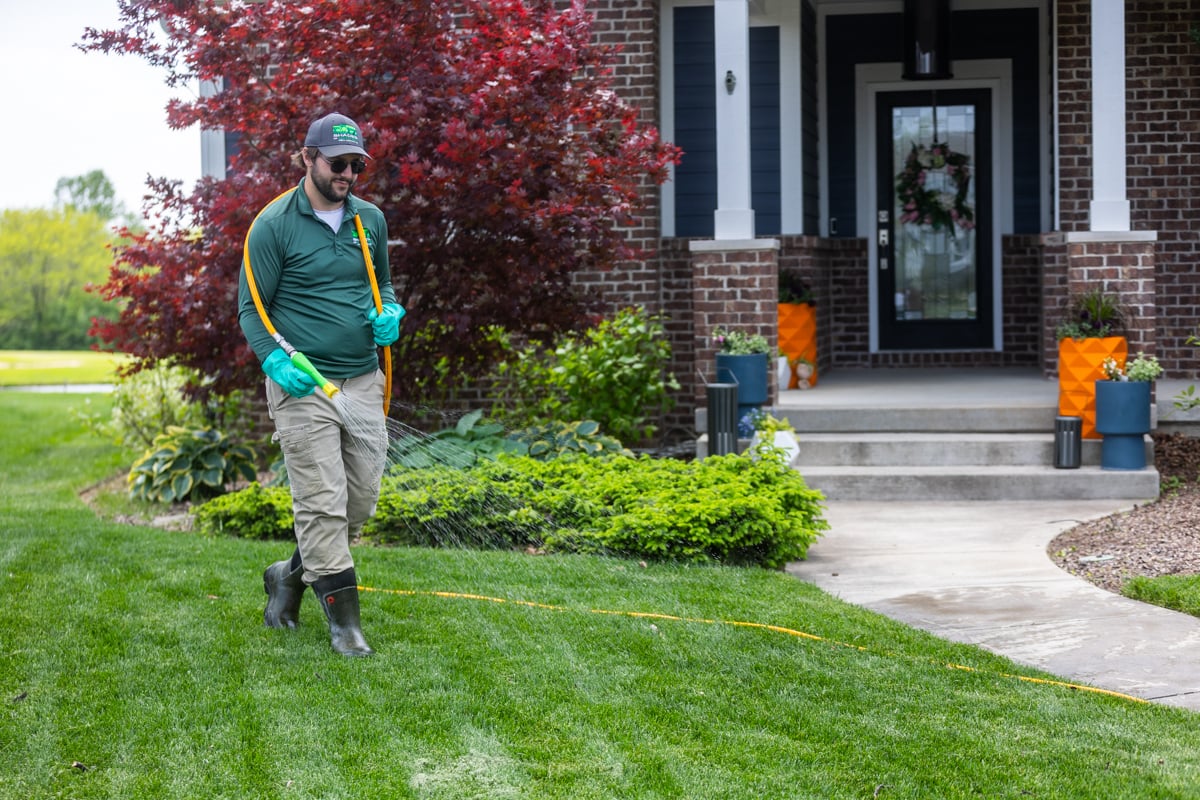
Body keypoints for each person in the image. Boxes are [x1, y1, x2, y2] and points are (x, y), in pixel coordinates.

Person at [237, 112, 405, 657]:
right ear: (308, 158)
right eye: (338, 163)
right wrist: (273, 361)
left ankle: (286, 576)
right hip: (303, 383)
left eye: (357, 164)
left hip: (361, 379)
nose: (349, 173)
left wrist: (392, 313)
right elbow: (250, 309)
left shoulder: (369, 221)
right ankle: (346, 626)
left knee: (360, 501)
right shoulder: (273, 225)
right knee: (323, 505)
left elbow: (382, 283)